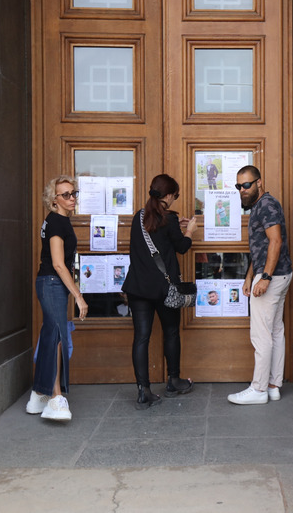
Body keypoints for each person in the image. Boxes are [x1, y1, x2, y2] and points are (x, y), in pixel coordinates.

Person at [122, 174, 198, 409]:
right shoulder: (169, 219)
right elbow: (182, 248)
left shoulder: (139, 218)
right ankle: (174, 381)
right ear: (167, 195)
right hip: (165, 290)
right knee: (171, 332)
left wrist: (176, 224)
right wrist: (190, 231)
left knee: (141, 338)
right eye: (175, 195)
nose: (175, 199)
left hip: (138, 288)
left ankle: (143, 391)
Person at [228, 166, 293, 405]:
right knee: (275, 331)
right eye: (238, 186)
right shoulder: (260, 205)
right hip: (279, 275)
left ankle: (258, 389)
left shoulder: (266, 205)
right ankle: (274, 386)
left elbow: (275, 241)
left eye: (247, 185)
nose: (242, 190)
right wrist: (249, 276)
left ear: (259, 182)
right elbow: (261, 247)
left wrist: (264, 277)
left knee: (261, 335)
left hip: (273, 277)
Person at [26, 175, 88, 421]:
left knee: (52, 335)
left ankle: (39, 395)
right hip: (52, 282)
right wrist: (79, 297)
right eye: (66, 195)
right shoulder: (56, 223)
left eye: (73, 193)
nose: (72, 198)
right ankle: (55, 398)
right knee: (57, 337)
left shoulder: (58, 220)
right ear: (54, 199)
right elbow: (59, 265)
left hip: (51, 283)